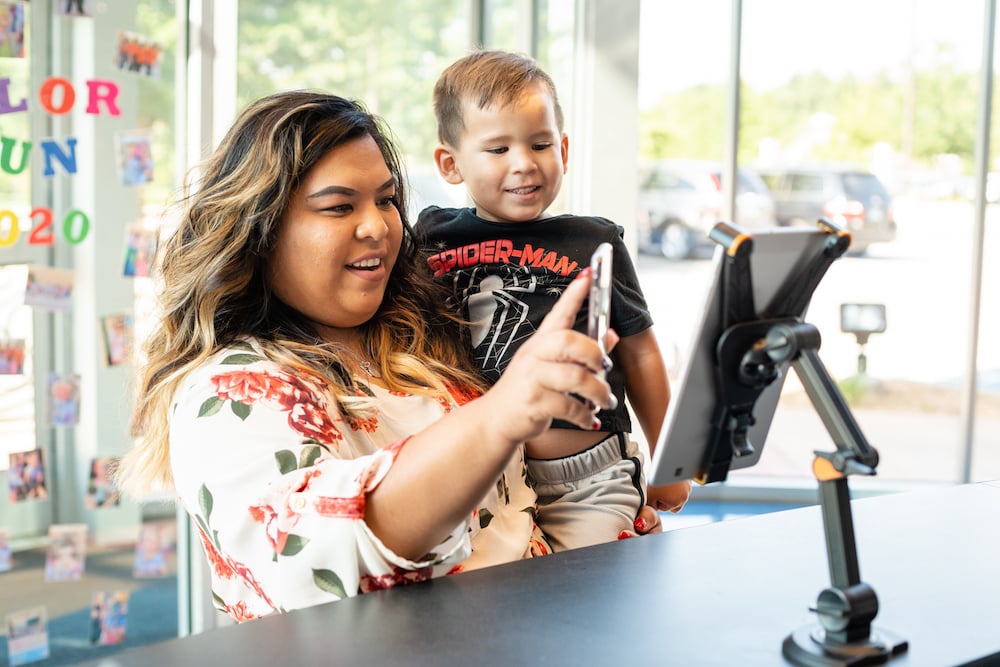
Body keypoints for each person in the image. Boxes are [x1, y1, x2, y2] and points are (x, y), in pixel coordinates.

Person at [116, 90, 648, 623]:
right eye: (340, 206)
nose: (378, 227)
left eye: (387, 199)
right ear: (261, 232)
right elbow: (311, 561)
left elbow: (518, 514)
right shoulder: (231, 387)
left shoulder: (421, 341)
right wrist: (499, 416)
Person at [417, 49, 691, 551]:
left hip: (584, 481)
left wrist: (672, 462)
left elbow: (642, 351)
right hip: (476, 477)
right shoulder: (430, 239)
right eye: (497, 149)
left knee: (589, 602)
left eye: (540, 144)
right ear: (450, 164)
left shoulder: (595, 241)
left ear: (563, 148)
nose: (524, 164)